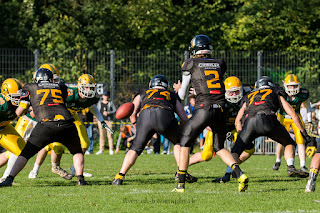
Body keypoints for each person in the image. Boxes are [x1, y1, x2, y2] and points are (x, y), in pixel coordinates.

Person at [172, 35, 248, 193]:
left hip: (203, 108)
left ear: (194, 49)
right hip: (221, 109)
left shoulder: (190, 63)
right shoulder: (220, 63)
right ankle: (239, 174)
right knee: (219, 147)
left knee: (185, 142)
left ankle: (180, 185)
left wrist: (178, 90)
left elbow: (183, 94)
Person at [0, 68, 87, 186]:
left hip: (46, 124)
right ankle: (80, 180)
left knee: (25, 153)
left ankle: (9, 179)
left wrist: (18, 114)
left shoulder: (30, 87)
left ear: (37, 79)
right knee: (77, 152)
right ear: (51, 79)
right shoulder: (60, 86)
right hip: (66, 123)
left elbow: (21, 110)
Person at [230, 76, 315, 187]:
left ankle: (232, 172)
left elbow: (237, 120)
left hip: (250, 122)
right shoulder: (275, 90)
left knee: (236, 150)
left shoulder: (250, 95)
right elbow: (293, 114)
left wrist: (241, 134)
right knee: (289, 143)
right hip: (268, 119)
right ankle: (290, 166)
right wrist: (304, 133)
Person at [27, 74, 114, 179]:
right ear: (80, 86)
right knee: (48, 145)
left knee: (85, 142)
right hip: (56, 115)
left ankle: (75, 170)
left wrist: (102, 121)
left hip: (72, 116)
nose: (89, 90)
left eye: (91, 87)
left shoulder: (92, 98)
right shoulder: (70, 94)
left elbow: (92, 107)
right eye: (86, 87)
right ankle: (35, 169)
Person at [112, 74, 188, 185]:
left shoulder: (142, 94)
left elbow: (132, 114)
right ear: (166, 86)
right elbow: (184, 117)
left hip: (145, 117)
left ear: (151, 85)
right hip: (165, 115)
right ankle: (180, 173)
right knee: (177, 143)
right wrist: (180, 132)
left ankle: (120, 176)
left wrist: (139, 130)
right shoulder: (171, 94)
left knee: (135, 148)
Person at [186, 76, 255, 183]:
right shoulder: (218, 98)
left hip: (235, 127)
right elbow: (207, 118)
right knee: (206, 156)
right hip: (218, 127)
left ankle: (229, 172)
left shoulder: (248, 94)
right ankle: (181, 167)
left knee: (249, 149)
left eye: (236, 92)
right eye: (231, 93)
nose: (234, 95)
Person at [272, 74, 314, 175]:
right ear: (285, 86)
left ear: (299, 85)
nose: (292, 88)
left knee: (300, 140)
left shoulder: (303, 94)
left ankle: (303, 164)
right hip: (283, 117)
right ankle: (278, 160)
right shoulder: (281, 93)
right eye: (290, 86)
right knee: (281, 140)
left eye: (294, 86)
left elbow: (308, 106)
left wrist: (309, 120)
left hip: (296, 117)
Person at [0, 78, 27, 182]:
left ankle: (5, 178)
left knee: (22, 152)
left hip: (5, 127)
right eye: (14, 97)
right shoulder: (2, 104)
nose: (17, 99)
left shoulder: (22, 101)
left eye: (18, 96)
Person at [96, 91, 117, 155]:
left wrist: (108, 112)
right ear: (102, 96)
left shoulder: (110, 103)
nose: (105, 97)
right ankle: (101, 150)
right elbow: (96, 110)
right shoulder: (99, 103)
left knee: (110, 135)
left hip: (109, 121)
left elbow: (115, 110)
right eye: (104, 95)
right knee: (102, 135)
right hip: (101, 121)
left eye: (106, 95)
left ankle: (111, 149)